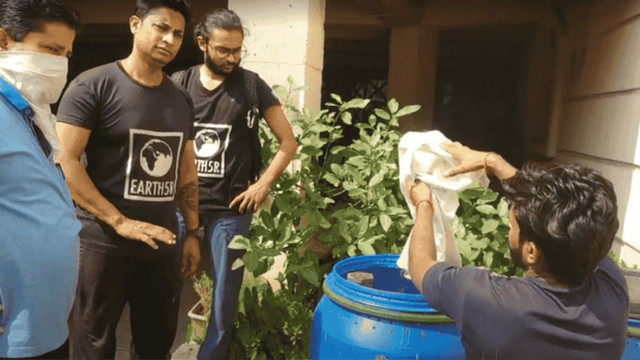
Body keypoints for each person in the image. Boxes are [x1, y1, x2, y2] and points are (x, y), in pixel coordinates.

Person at [55, 0, 201, 358]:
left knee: (156, 341)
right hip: (103, 243)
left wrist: (194, 232)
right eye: (161, 27)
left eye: (178, 34)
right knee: (94, 343)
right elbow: (66, 161)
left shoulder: (180, 99)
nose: (169, 39)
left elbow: (186, 170)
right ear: (135, 24)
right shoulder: (93, 86)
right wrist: (119, 221)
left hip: (162, 243)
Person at [406, 142, 629, 359]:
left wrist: (424, 204)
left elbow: (422, 266)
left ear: (531, 252)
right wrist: (492, 162)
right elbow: (582, 228)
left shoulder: (487, 301)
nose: (508, 226)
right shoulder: (613, 294)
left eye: (512, 226)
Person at [171, 8, 297, 359]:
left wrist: (262, 186)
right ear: (202, 43)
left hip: (231, 211)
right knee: (164, 287)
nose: (232, 58)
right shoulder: (178, 85)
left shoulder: (251, 86)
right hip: (182, 208)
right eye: (224, 50)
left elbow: (288, 142)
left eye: (238, 50)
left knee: (224, 303)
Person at [0, 1, 81, 358]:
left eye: (65, 53)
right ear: (3, 40)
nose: (60, 64)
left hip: (42, 323)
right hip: (12, 331)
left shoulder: (28, 115)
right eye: (50, 49)